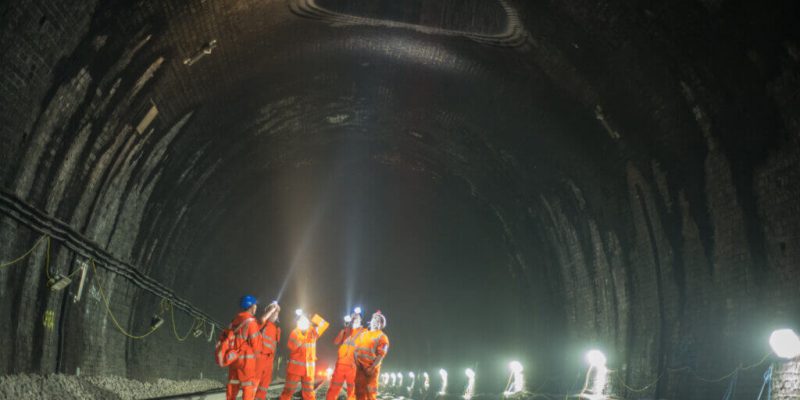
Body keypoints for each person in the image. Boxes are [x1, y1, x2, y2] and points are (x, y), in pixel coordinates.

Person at [279, 310, 329, 400]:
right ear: (297, 322)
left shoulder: (313, 332)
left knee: (309, 393)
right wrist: (302, 335)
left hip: (308, 370)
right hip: (295, 369)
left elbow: (324, 324)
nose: (303, 322)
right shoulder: (295, 333)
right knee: (288, 391)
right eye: (301, 320)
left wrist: (312, 316)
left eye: (305, 320)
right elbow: (292, 346)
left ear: (308, 322)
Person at [227, 295, 263, 400]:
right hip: (246, 361)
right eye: (255, 305)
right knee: (248, 388)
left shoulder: (235, 320)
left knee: (232, 388)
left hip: (234, 359)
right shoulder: (251, 322)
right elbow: (256, 345)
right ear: (251, 306)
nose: (256, 307)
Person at [326, 309, 366, 400]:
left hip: (354, 366)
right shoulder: (346, 330)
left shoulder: (364, 332)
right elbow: (336, 342)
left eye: (357, 317)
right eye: (353, 317)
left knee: (352, 392)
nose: (355, 318)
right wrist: (344, 329)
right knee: (333, 389)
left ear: (361, 320)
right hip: (340, 365)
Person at [354, 311, 389, 400]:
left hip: (371, 371)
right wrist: (357, 363)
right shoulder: (363, 334)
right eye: (374, 318)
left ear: (381, 324)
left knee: (370, 395)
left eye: (378, 320)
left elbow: (381, 355)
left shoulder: (382, 337)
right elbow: (356, 350)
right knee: (359, 394)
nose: (375, 321)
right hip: (360, 369)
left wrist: (372, 367)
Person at [255, 301, 281, 400]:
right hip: (260, 357)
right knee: (255, 382)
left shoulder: (276, 329)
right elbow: (261, 320)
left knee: (264, 384)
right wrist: (272, 309)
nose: (275, 315)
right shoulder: (263, 322)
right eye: (273, 312)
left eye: (277, 313)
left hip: (269, 360)